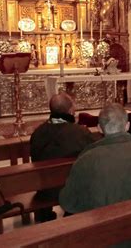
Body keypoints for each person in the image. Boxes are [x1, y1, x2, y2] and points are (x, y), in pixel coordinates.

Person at [59, 103, 131, 247]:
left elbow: (68, 202)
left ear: (99, 128)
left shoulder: (87, 159)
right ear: (127, 126)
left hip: (104, 239)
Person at [30, 92, 96, 222]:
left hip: (45, 188)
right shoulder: (80, 132)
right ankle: (72, 212)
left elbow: (35, 156)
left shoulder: (38, 132)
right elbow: (93, 155)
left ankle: (45, 214)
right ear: (71, 110)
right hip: (72, 188)